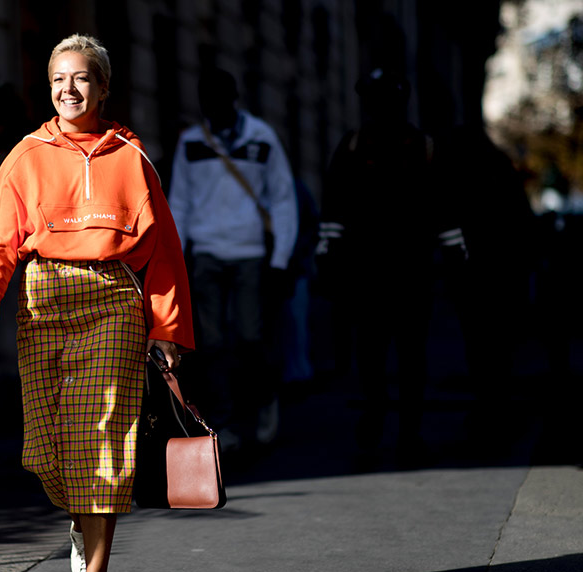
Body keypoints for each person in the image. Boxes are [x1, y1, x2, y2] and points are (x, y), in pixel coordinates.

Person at [0, 34, 193, 572]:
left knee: (103, 439)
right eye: (58, 79)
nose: (69, 89)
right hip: (43, 302)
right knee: (47, 447)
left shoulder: (133, 160)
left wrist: (166, 327)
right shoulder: (26, 155)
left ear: (103, 87)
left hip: (114, 302)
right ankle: (79, 513)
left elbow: (164, 252)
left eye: (82, 78)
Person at [316, 68, 465, 469]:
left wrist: (454, 257)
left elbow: (444, 207)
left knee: (410, 355)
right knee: (374, 354)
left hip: (411, 273)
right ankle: (378, 419)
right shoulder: (354, 146)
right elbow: (335, 205)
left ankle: (407, 432)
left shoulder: (424, 147)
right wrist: (328, 255)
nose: (382, 107)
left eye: (388, 99)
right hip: (368, 275)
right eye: (376, 99)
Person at [168, 67, 298, 449]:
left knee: (249, 337)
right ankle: (225, 421)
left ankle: (259, 404)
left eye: (219, 99)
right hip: (207, 254)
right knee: (211, 342)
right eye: (207, 101)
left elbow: (283, 198)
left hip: (250, 255)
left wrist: (280, 260)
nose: (212, 107)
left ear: (233, 97)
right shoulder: (191, 142)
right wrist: (178, 259)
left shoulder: (262, 138)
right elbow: (180, 204)